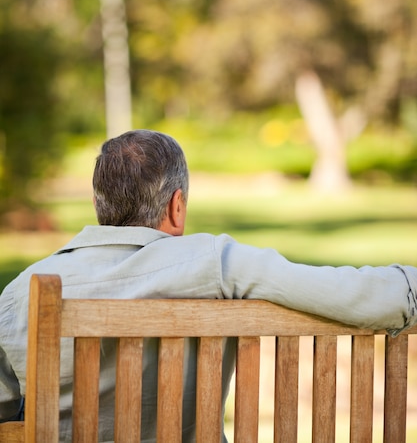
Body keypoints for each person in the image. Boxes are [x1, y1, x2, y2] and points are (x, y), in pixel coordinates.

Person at [0, 129, 416, 441]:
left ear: (98, 205)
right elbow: (367, 297)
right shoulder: (213, 264)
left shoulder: (21, 291)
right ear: (176, 206)